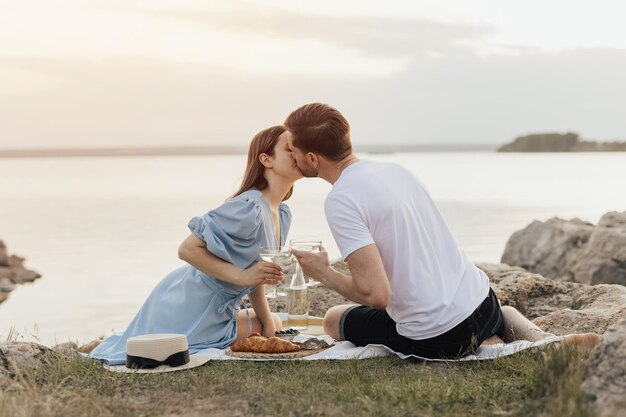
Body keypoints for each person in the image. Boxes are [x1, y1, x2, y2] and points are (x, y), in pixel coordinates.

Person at [286, 103, 601, 359]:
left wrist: (324, 273)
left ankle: (512, 349)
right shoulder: (395, 171)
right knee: (497, 316)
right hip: (484, 303)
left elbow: (378, 296)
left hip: (439, 335)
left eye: (293, 150)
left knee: (332, 319)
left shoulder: (342, 199)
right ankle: (536, 341)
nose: (292, 156)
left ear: (312, 158)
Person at [88, 126, 303, 364]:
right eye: (289, 148)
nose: (297, 153)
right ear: (266, 160)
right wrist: (242, 277)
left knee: (274, 322)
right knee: (157, 351)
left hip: (218, 309)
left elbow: (255, 276)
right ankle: (114, 343)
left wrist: (269, 327)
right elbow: (187, 249)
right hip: (191, 304)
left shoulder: (281, 213)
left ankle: (112, 341)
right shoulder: (247, 207)